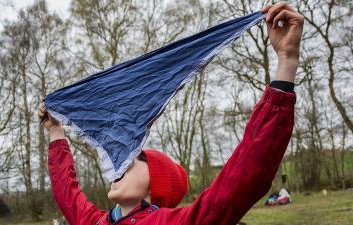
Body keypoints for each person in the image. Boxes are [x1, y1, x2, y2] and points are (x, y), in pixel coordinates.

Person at [38, 2, 304, 225]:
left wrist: (286, 63)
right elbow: (66, 192)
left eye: (134, 160)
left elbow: (246, 177)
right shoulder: (96, 222)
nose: (121, 165)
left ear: (155, 186)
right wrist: (56, 131)